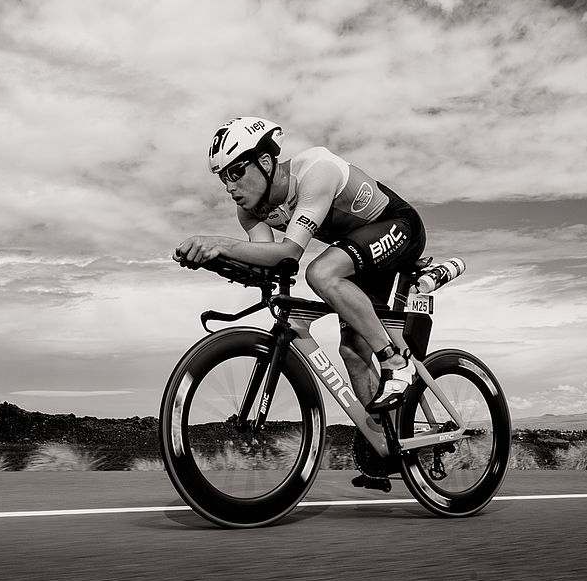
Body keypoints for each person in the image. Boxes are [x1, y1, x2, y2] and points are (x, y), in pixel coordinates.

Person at [175, 115, 427, 413]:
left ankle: (395, 361)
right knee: (352, 352)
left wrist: (222, 244)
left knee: (320, 273)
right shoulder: (250, 210)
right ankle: (390, 444)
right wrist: (216, 259)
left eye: (236, 172)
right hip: (355, 251)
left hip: (398, 226)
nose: (230, 187)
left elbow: (288, 253)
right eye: (223, 178)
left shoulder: (316, 171)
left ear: (265, 162)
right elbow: (267, 262)